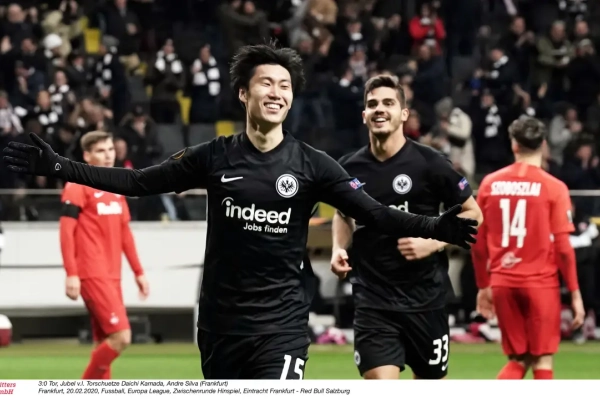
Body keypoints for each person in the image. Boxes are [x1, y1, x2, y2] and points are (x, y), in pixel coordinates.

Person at [2, 43, 477, 380]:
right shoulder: (214, 156)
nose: (276, 92)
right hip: (221, 327)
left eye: (285, 85)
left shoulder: (313, 165)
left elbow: (375, 214)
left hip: (282, 327)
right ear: (244, 94)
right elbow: (138, 182)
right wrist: (59, 166)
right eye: (266, 82)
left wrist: (436, 227)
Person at [330, 75, 483, 380]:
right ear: (364, 115)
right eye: (372, 104)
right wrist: (337, 248)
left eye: (388, 103)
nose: (379, 109)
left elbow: (474, 213)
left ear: (403, 114)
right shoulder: (349, 168)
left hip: (426, 300)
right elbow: (342, 215)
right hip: (373, 301)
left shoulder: (430, 163)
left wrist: (433, 242)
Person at [471, 117, 585, 380]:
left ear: (514, 145)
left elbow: (477, 242)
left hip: (503, 282)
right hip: (540, 283)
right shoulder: (554, 187)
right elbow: (564, 248)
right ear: (543, 144)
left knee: (518, 358)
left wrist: (484, 285)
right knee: (542, 357)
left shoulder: (490, 183)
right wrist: (575, 293)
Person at [60, 131, 149, 379]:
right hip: (92, 272)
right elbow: (66, 232)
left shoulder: (116, 186)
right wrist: (71, 273)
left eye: (110, 149)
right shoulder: (77, 184)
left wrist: (138, 272)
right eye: (101, 151)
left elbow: (125, 234)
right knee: (122, 337)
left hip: (113, 275)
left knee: (105, 341)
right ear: (87, 156)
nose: (108, 155)